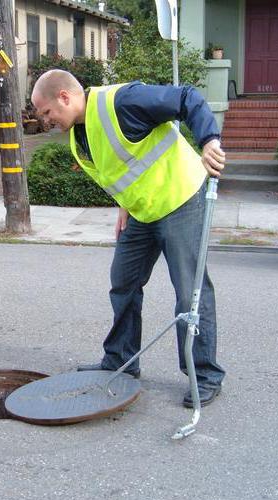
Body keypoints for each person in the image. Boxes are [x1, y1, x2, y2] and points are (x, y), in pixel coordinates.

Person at [31, 70, 226, 407]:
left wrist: (209, 140)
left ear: (64, 96)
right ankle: (121, 360)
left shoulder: (122, 101)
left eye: (47, 112)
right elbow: (124, 166)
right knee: (123, 283)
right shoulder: (80, 133)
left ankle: (204, 375)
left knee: (189, 293)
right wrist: (124, 203)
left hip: (180, 199)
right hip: (141, 212)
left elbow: (186, 97)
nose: (46, 121)